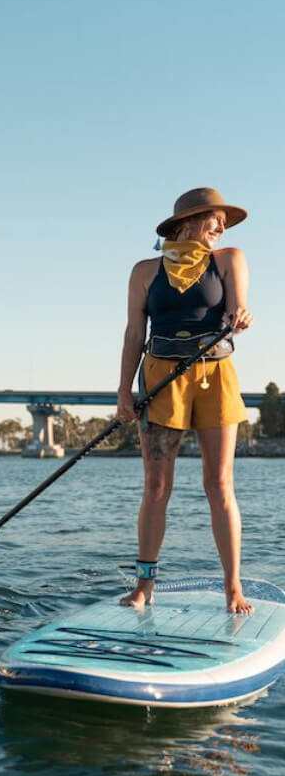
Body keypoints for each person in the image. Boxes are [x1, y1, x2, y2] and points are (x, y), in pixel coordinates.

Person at [117, 188, 253, 614]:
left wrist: (240, 317)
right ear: (189, 221)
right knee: (157, 487)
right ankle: (144, 587)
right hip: (161, 378)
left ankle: (233, 588)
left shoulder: (228, 259)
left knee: (219, 484)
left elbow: (237, 310)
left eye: (225, 222)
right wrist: (123, 391)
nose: (222, 227)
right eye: (216, 218)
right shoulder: (145, 271)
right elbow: (134, 333)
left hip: (215, 375)